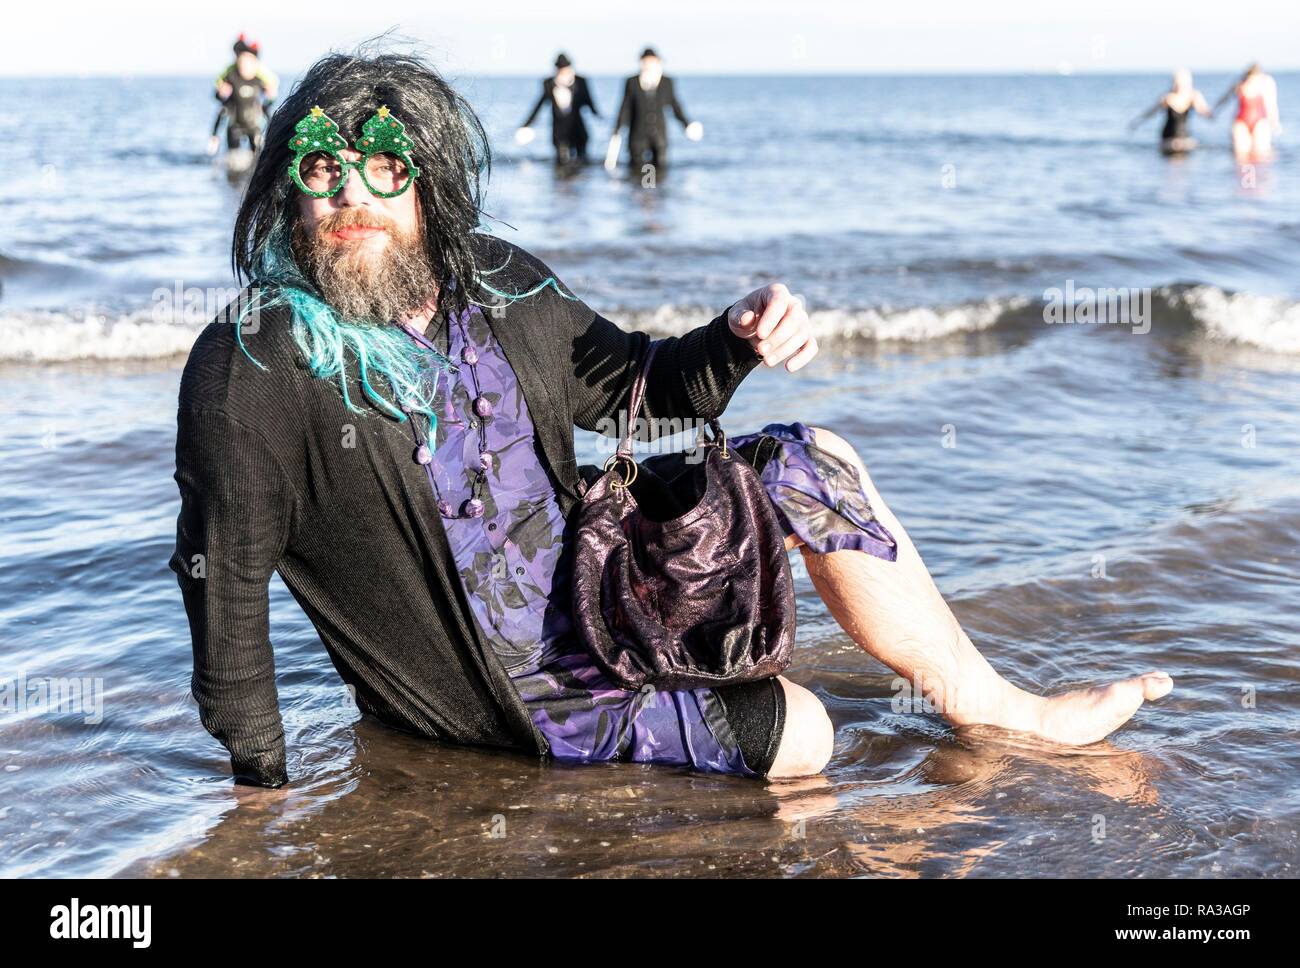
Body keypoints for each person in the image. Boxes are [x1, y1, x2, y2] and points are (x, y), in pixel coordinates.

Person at [172, 49, 1173, 790]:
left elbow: (641, 387)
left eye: (382, 167)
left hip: (607, 593)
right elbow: (225, 589)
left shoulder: (501, 283)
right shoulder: (254, 362)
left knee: (811, 455)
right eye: (319, 169)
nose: (351, 196)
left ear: (427, 179)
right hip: (512, 694)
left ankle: (1002, 712)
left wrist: (735, 335)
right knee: (801, 732)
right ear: (287, 190)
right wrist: (260, 802)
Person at [607, 47, 702, 176]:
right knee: (637, 171)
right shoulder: (632, 82)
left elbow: (674, 106)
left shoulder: (667, 82)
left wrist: (686, 124)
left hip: (659, 137)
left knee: (660, 172)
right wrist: (617, 129)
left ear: (658, 63)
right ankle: (641, 192)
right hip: (637, 136)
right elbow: (625, 107)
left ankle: (655, 193)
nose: (648, 65)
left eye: (651, 62)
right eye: (645, 62)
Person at [515, 53, 600, 167]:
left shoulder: (580, 81)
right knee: (561, 164)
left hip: (578, 130)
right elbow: (539, 105)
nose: (563, 71)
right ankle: (560, 183)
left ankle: (579, 183)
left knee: (582, 163)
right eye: (560, 68)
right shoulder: (549, 83)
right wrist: (527, 124)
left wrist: (598, 115)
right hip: (559, 132)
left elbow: (589, 102)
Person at [208, 34, 279, 156]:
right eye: (242, 61)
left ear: (254, 63)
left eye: (248, 62)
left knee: (257, 156)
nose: (244, 65)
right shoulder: (231, 76)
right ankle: (215, 141)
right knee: (233, 158)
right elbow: (219, 101)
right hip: (235, 125)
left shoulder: (259, 79)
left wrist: (270, 97)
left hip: (254, 126)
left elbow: (269, 102)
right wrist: (220, 93)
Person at [1129, 68, 1211, 155]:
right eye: (1176, 82)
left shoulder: (1193, 96)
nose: (1178, 85)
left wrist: (1207, 112)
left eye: (1181, 82)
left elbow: (1205, 112)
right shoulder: (1168, 97)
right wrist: (1137, 121)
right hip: (1168, 138)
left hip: (1184, 137)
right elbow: (1151, 112)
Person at [1214, 63, 1282, 161]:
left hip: (1260, 121)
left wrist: (1275, 122)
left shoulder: (1266, 84)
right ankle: (1244, 175)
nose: (1252, 80)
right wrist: (1215, 111)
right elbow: (1225, 98)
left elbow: (1272, 104)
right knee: (1241, 155)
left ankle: (1258, 175)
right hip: (1241, 121)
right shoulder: (1240, 84)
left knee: (1261, 154)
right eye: (1251, 78)